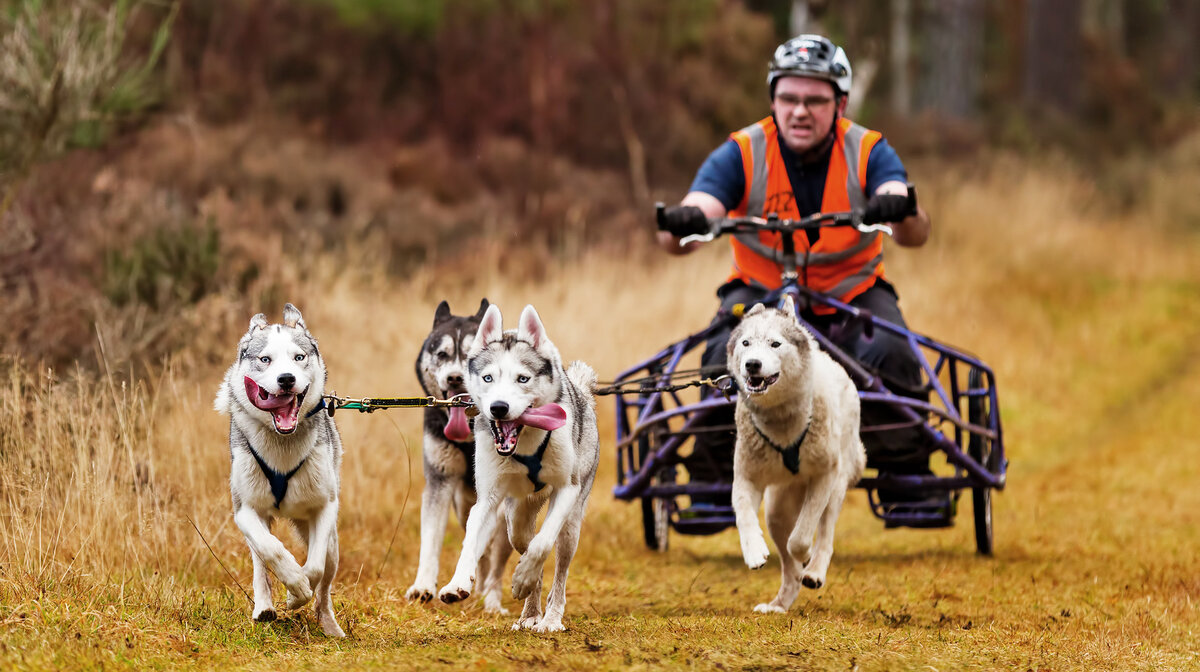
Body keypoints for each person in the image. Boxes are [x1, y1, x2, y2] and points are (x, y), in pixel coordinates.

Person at [657, 34, 936, 506]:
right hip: (758, 297)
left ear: (840, 103)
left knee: (893, 353)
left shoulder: (867, 149)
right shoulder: (743, 150)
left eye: (814, 100)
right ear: (773, 100)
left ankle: (906, 477)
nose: (799, 111)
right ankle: (710, 480)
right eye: (788, 98)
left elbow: (915, 228)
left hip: (851, 294)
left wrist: (898, 205)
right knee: (718, 364)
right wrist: (691, 216)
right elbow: (690, 217)